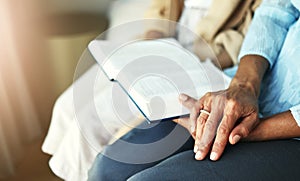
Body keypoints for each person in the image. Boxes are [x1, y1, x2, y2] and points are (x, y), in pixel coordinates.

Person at [88, 0, 300, 180]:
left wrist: (246, 131)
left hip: (290, 131)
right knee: (108, 168)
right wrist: (244, 85)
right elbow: (277, 8)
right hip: (253, 87)